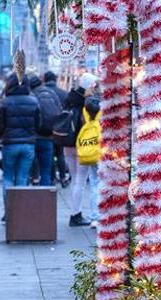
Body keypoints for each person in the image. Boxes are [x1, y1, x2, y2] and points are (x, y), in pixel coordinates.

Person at [0, 74, 41, 221]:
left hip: (10, 144)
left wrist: (4, 135)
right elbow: (38, 124)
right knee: (22, 177)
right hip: (28, 144)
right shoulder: (33, 101)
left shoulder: (5, 102)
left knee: (8, 177)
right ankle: (20, 212)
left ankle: (8, 212)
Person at [68, 73, 100, 227]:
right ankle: (80, 215)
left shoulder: (69, 97)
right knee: (82, 181)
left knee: (74, 181)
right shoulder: (90, 102)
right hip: (85, 144)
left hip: (68, 143)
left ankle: (75, 212)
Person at [30, 75, 63, 186]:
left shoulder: (31, 95)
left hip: (34, 137)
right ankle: (45, 198)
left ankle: (28, 194)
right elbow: (59, 111)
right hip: (49, 137)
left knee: (30, 167)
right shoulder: (51, 94)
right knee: (46, 170)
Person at [43, 71, 71, 186]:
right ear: (55, 79)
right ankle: (63, 177)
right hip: (61, 129)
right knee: (60, 154)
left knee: (50, 154)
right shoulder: (64, 93)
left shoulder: (43, 93)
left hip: (46, 129)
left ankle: (52, 177)